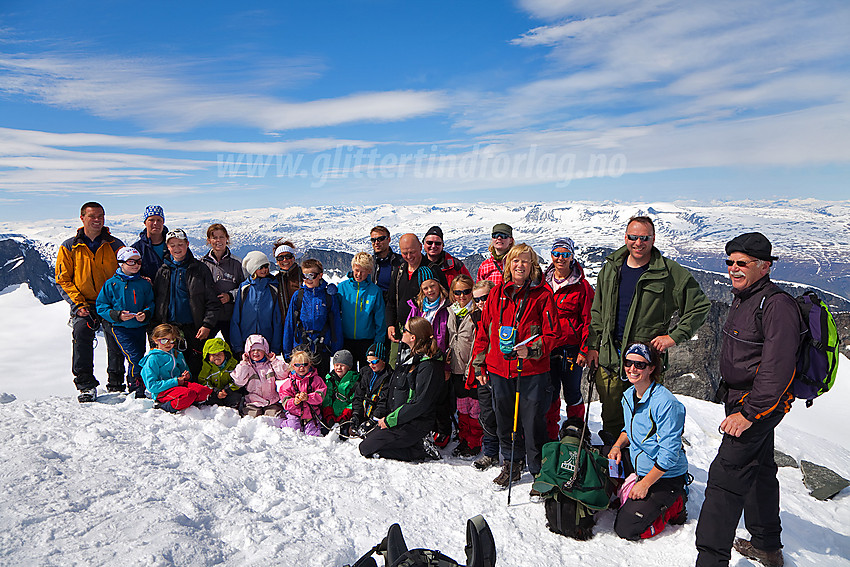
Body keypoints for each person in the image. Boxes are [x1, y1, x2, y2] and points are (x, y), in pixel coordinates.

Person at [695, 233, 802, 567]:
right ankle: (767, 547)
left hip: (756, 406)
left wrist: (749, 414)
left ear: (764, 266)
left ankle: (710, 562)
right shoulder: (746, 298)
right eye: (730, 262)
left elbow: (777, 369)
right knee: (760, 471)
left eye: (742, 263)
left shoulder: (776, 305)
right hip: (744, 400)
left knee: (724, 483)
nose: (733, 268)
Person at [585, 215, 710, 441]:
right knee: (612, 420)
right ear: (625, 238)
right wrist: (593, 346)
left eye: (644, 238)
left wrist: (673, 337)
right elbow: (597, 312)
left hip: (644, 362)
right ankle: (615, 470)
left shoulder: (668, 272)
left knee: (644, 422)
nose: (638, 243)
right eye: (633, 237)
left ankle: (642, 472)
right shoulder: (611, 269)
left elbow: (700, 305)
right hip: (610, 359)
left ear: (653, 239)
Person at [471, 243, 560, 488]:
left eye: (525, 261)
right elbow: (485, 332)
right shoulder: (496, 294)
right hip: (499, 368)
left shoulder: (542, 295)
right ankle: (511, 462)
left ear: (532, 266)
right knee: (505, 418)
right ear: (508, 265)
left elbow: (553, 334)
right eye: (515, 261)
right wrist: (480, 364)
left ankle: (537, 468)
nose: (520, 265)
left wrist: (531, 350)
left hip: (532, 370)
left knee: (532, 421)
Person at [608, 343, 688, 540]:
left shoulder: (666, 403)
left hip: (665, 475)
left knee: (626, 528)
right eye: (628, 363)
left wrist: (644, 484)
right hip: (639, 464)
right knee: (600, 459)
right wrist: (617, 445)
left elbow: (669, 455)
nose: (632, 369)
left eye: (640, 365)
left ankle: (676, 503)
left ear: (652, 368)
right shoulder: (629, 395)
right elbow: (630, 428)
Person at [56, 201, 126, 402]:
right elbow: (63, 279)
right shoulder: (69, 247)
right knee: (81, 334)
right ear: (82, 218)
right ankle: (85, 384)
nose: (97, 220)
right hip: (84, 303)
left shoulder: (115, 245)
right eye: (92, 216)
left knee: (116, 337)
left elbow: (126, 272)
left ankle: (116, 382)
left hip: (111, 303)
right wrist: (77, 305)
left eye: (100, 216)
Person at [358, 317, 444, 462]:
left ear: (413, 337)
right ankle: (412, 444)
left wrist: (391, 420)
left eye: (405, 330)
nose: (401, 332)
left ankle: (419, 450)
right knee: (368, 439)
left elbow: (420, 403)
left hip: (415, 422)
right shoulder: (409, 357)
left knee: (366, 448)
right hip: (402, 418)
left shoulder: (428, 366)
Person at [543, 237, 595, 439]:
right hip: (548, 348)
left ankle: (577, 430)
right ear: (551, 256)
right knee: (551, 391)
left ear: (572, 256)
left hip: (571, 350)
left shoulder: (582, 287)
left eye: (565, 254)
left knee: (572, 391)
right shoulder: (544, 282)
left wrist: (584, 349)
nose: (560, 258)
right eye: (557, 253)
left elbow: (588, 320)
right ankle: (550, 431)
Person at [152, 229, 221, 377]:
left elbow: (212, 301)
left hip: (194, 328)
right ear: (167, 247)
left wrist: (207, 324)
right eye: (172, 245)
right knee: (171, 366)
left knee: (195, 366)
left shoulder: (199, 269)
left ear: (187, 244)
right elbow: (157, 300)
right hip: (170, 328)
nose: (177, 248)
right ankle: (177, 396)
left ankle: (195, 396)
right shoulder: (163, 271)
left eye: (180, 244)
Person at [95, 246, 155, 397]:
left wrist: (146, 313)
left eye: (138, 262)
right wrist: (117, 315)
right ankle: (136, 387)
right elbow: (101, 305)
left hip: (139, 327)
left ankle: (136, 384)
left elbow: (151, 303)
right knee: (135, 357)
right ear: (121, 263)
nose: (136, 265)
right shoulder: (112, 284)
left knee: (139, 355)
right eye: (131, 262)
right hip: (120, 328)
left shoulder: (144, 284)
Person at [406, 270, 452, 446]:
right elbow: (409, 330)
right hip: (421, 359)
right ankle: (426, 427)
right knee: (422, 395)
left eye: (432, 285)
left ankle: (443, 430)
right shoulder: (417, 308)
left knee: (440, 397)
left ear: (439, 286)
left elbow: (450, 336)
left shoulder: (447, 307)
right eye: (425, 287)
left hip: (439, 359)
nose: (429, 290)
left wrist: (447, 366)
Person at [384, 234, 448, 353]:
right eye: (405, 253)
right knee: (398, 367)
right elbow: (391, 301)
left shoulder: (431, 270)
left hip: (426, 332)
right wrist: (390, 324)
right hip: (402, 331)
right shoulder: (399, 271)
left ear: (420, 247)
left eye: (412, 252)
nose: (409, 256)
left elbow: (445, 300)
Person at [282, 258, 343, 377]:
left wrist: (337, 350)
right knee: (301, 385)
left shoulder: (328, 297)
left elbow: (336, 324)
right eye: (304, 276)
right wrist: (287, 351)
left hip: (322, 348)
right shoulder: (298, 296)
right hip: (301, 349)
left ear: (320, 275)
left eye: (311, 275)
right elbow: (290, 324)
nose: (307, 280)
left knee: (320, 385)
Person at [445, 274, 483, 458]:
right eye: (457, 292)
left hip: (473, 368)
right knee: (462, 406)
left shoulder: (477, 312)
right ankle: (464, 438)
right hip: (456, 368)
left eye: (466, 292)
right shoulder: (451, 311)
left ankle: (475, 441)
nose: (462, 296)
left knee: (475, 408)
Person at [140, 323, 213, 412]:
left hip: (179, 386)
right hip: (163, 390)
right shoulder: (153, 359)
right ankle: (165, 406)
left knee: (204, 391)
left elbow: (185, 371)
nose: (168, 344)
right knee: (188, 395)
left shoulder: (177, 354)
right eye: (164, 341)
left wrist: (187, 376)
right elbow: (152, 386)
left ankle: (187, 401)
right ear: (155, 340)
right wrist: (175, 381)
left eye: (171, 341)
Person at [469, 280, 500, 471]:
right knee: (487, 412)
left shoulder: (503, 315)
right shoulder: (475, 317)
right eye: (477, 299)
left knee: (505, 413)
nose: (481, 302)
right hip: (483, 371)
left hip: (501, 370)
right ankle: (491, 453)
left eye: (485, 297)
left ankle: (512, 453)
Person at [338, 252, 386, 369]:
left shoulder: (374, 291)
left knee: (367, 375)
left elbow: (380, 318)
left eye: (363, 271)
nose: (358, 274)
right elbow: (335, 313)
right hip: (346, 340)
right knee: (349, 377)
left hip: (367, 341)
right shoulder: (342, 288)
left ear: (369, 271)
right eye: (356, 270)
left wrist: (378, 343)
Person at [201, 223, 247, 345]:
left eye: (221, 237)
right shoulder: (202, 264)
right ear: (209, 240)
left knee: (235, 350)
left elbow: (246, 288)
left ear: (227, 239)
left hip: (231, 317)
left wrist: (230, 296)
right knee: (205, 351)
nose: (218, 240)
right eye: (214, 237)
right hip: (209, 318)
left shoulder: (237, 263)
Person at [230, 251, 282, 355]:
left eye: (266, 266)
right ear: (253, 269)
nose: (264, 270)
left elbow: (277, 319)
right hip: (247, 343)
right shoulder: (244, 288)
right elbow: (236, 318)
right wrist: (238, 346)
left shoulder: (273, 288)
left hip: (267, 343)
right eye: (260, 267)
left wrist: (275, 348)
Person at [231, 334, 288, 417]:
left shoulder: (270, 365)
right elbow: (239, 381)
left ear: (265, 351)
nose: (256, 353)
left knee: (274, 417)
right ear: (248, 352)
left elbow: (283, 374)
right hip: (253, 402)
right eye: (253, 350)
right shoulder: (247, 366)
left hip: (271, 401)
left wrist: (274, 361)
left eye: (259, 350)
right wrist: (244, 363)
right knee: (252, 418)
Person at [279, 350, 327, 436]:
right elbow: (285, 400)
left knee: (313, 434)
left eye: (305, 364)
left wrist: (308, 397)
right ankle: (285, 423)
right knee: (292, 431)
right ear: (293, 366)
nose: (302, 368)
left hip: (312, 414)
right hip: (295, 414)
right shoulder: (289, 383)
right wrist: (294, 401)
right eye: (298, 365)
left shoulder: (317, 380)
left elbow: (321, 396)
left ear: (310, 364)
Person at [350, 343, 392, 436]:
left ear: (383, 360)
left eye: (374, 362)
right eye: (369, 362)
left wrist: (373, 420)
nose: (371, 365)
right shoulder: (366, 373)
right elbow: (358, 395)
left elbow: (384, 402)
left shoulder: (389, 377)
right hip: (365, 412)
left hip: (378, 417)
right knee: (349, 430)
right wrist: (356, 414)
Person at [321, 349, 359, 436]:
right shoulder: (330, 379)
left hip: (346, 416)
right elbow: (327, 398)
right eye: (336, 365)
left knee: (345, 433)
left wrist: (346, 415)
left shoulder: (354, 381)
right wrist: (328, 414)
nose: (338, 368)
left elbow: (354, 400)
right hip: (331, 414)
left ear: (349, 367)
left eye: (342, 365)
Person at [197, 337, 242, 408]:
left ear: (225, 354)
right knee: (210, 400)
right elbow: (203, 381)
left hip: (229, 391)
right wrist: (216, 391)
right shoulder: (207, 368)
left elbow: (238, 379)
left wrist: (227, 390)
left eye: (219, 354)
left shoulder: (233, 365)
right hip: (214, 393)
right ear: (208, 356)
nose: (216, 357)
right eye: (213, 354)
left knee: (235, 397)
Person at [131, 205, 168, 281]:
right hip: (147, 291)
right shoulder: (136, 249)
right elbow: (130, 273)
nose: (155, 223)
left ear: (163, 222)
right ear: (145, 223)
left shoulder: (173, 246)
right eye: (151, 220)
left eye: (159, 220)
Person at [272, 238, 302, 325]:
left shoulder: (304, 275)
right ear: (277, 262)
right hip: (283, 326)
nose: (284, 260)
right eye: (281, 258)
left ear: (293, 258)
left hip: (303, 327)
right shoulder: (275, 280)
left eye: (288, 256)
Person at [369, 225, 402, 301]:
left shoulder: (400, 262)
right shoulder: (369, 263)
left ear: (389, 239)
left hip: (394, 307)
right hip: (374, 307)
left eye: (380, 239)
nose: (376, 242)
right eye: (373, 240)